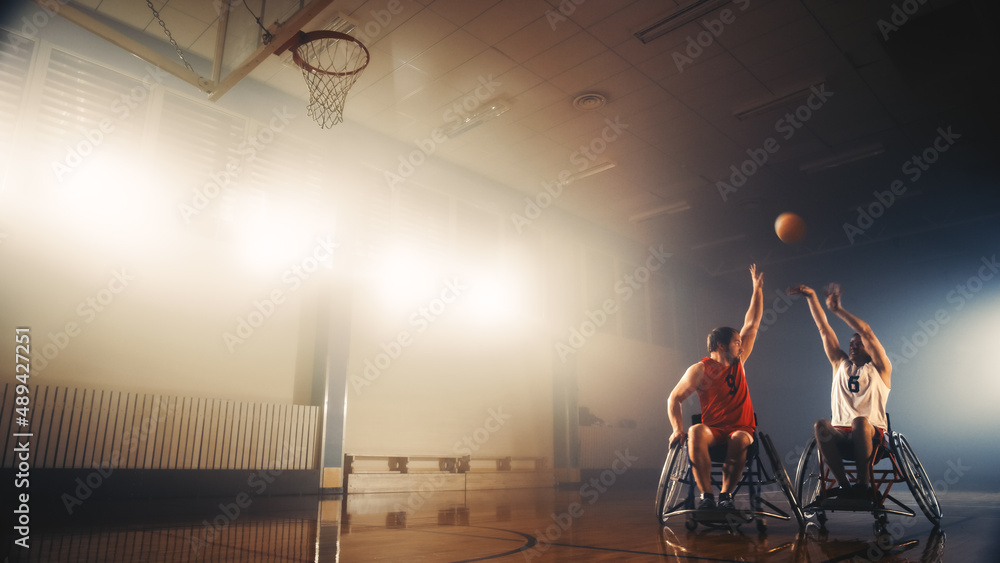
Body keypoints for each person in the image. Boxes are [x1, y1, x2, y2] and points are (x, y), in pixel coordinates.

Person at [667, 264, 764, 511]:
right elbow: (674, 398)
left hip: (741, 428)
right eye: (736, 343)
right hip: (714, 429)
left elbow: (751, 323)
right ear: (721, 345)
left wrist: (757, 290)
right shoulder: (699, 370)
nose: (741, 346)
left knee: (740, 437)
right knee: (695, 431)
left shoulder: (738, 363)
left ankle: (726, 496)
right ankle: (707, 497)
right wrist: (677, 429)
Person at [787, 283, 891, 503]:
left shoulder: (881, 368)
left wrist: (837, 309)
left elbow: (867, 332)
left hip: (873, 437)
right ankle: (846, 487)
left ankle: (863, 486)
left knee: (860, 421)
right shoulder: (839, 364)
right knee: (821, 426)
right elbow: (824, 329)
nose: (853, 347)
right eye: (851, 344)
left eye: (858, 344)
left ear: (869, 349)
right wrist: (812, 297)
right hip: (842, 436)